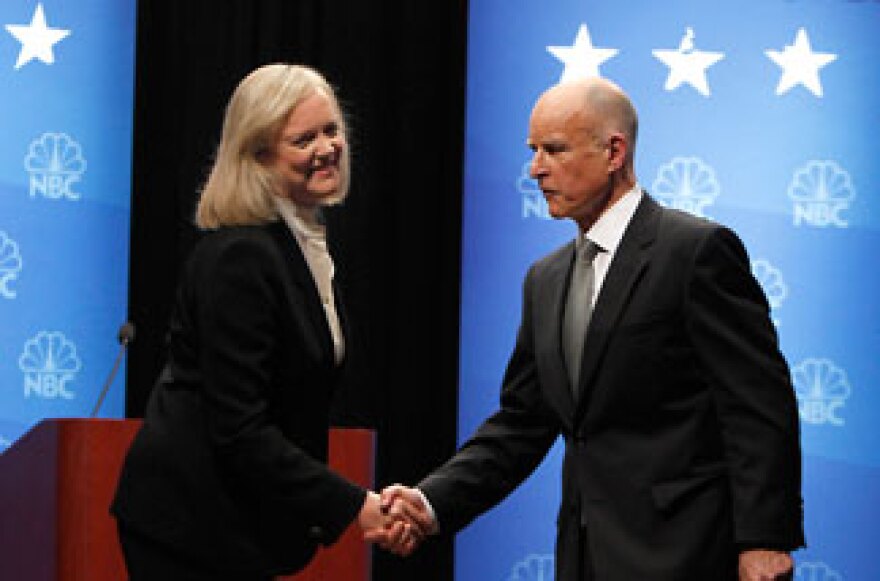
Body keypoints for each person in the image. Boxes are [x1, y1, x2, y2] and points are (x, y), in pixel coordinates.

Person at [377, 77, 805, 580]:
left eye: (554, 150)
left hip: (687, 551)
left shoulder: (694, 252)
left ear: (614, 152)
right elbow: (521, 423)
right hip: (585, 558)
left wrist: (764, 540)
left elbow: (757, 405)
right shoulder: (546, 278)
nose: (536, 169)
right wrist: (431, 503)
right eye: (533, 150)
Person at [111, 63, 407, 579]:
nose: (326, 148)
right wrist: (355, 505)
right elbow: (239, 428)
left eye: (332, 130)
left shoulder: (303, 245)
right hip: (189, 528)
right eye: (304, 139)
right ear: (258, 156)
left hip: (236, 524)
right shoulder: (241, 257)